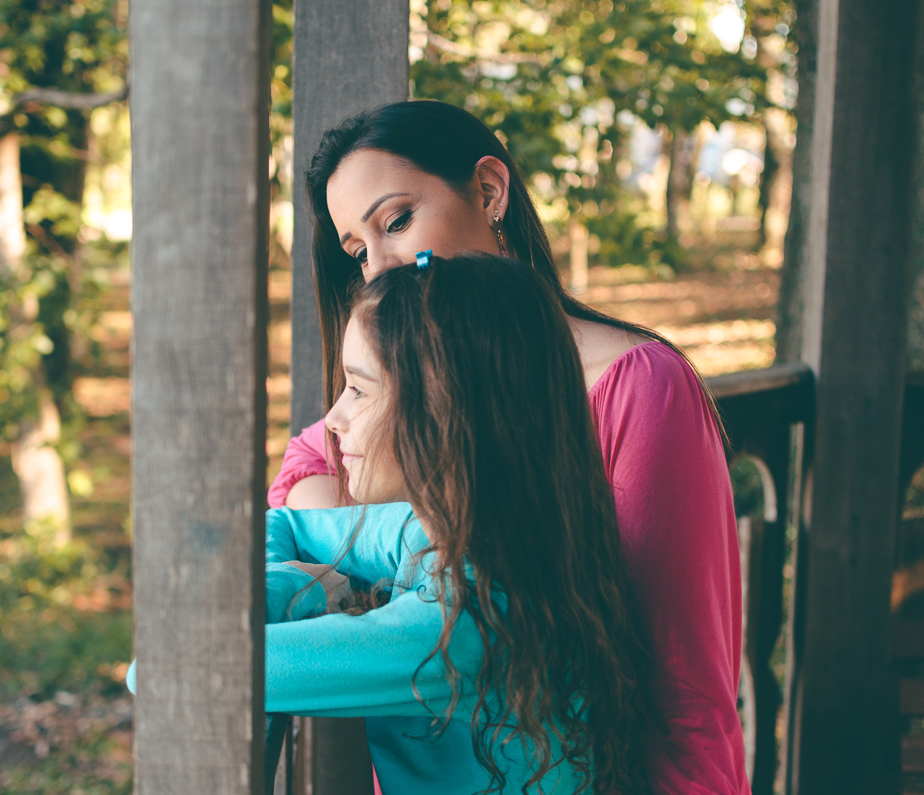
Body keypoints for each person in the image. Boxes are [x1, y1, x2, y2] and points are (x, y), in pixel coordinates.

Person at [268, 101, 747, 794]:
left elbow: (685, 682)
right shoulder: (427, 380)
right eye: (358, 252)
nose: (380, 268)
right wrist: (350, 559)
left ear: (490, 191)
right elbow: (309, 462)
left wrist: (364, 568)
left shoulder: (638, 387)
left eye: (396, 222)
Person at [265, 254, 650, 794]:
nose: (333, 418)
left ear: (443, 412)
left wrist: (302, 589)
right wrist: (302, 579)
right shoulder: (454, 535)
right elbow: (281, 525)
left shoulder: (466, 622)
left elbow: (203, 664)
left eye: (358, 389)